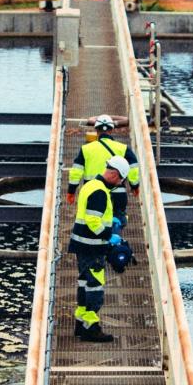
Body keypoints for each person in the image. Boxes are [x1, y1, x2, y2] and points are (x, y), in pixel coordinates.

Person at [70, 155, 131, 342]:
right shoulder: (100, 192)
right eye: (121, 180)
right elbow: (93, 220)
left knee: (84, 284)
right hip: (93, 247)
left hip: (82, 244)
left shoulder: (90, 185)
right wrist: (109, 236)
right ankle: (91, 328)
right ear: (114, 174)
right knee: (95, 287)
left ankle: (81, 323)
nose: (120, 183)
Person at [67, 114, 140, 219]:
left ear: (96, 130)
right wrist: (135, 186)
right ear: (112, 130)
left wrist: (71, 191)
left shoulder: (86, 149)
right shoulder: (123, 148)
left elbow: (75, 172)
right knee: (116, 222)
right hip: (117, 194)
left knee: (93, 221)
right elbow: (133, 169)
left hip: (93, 193)